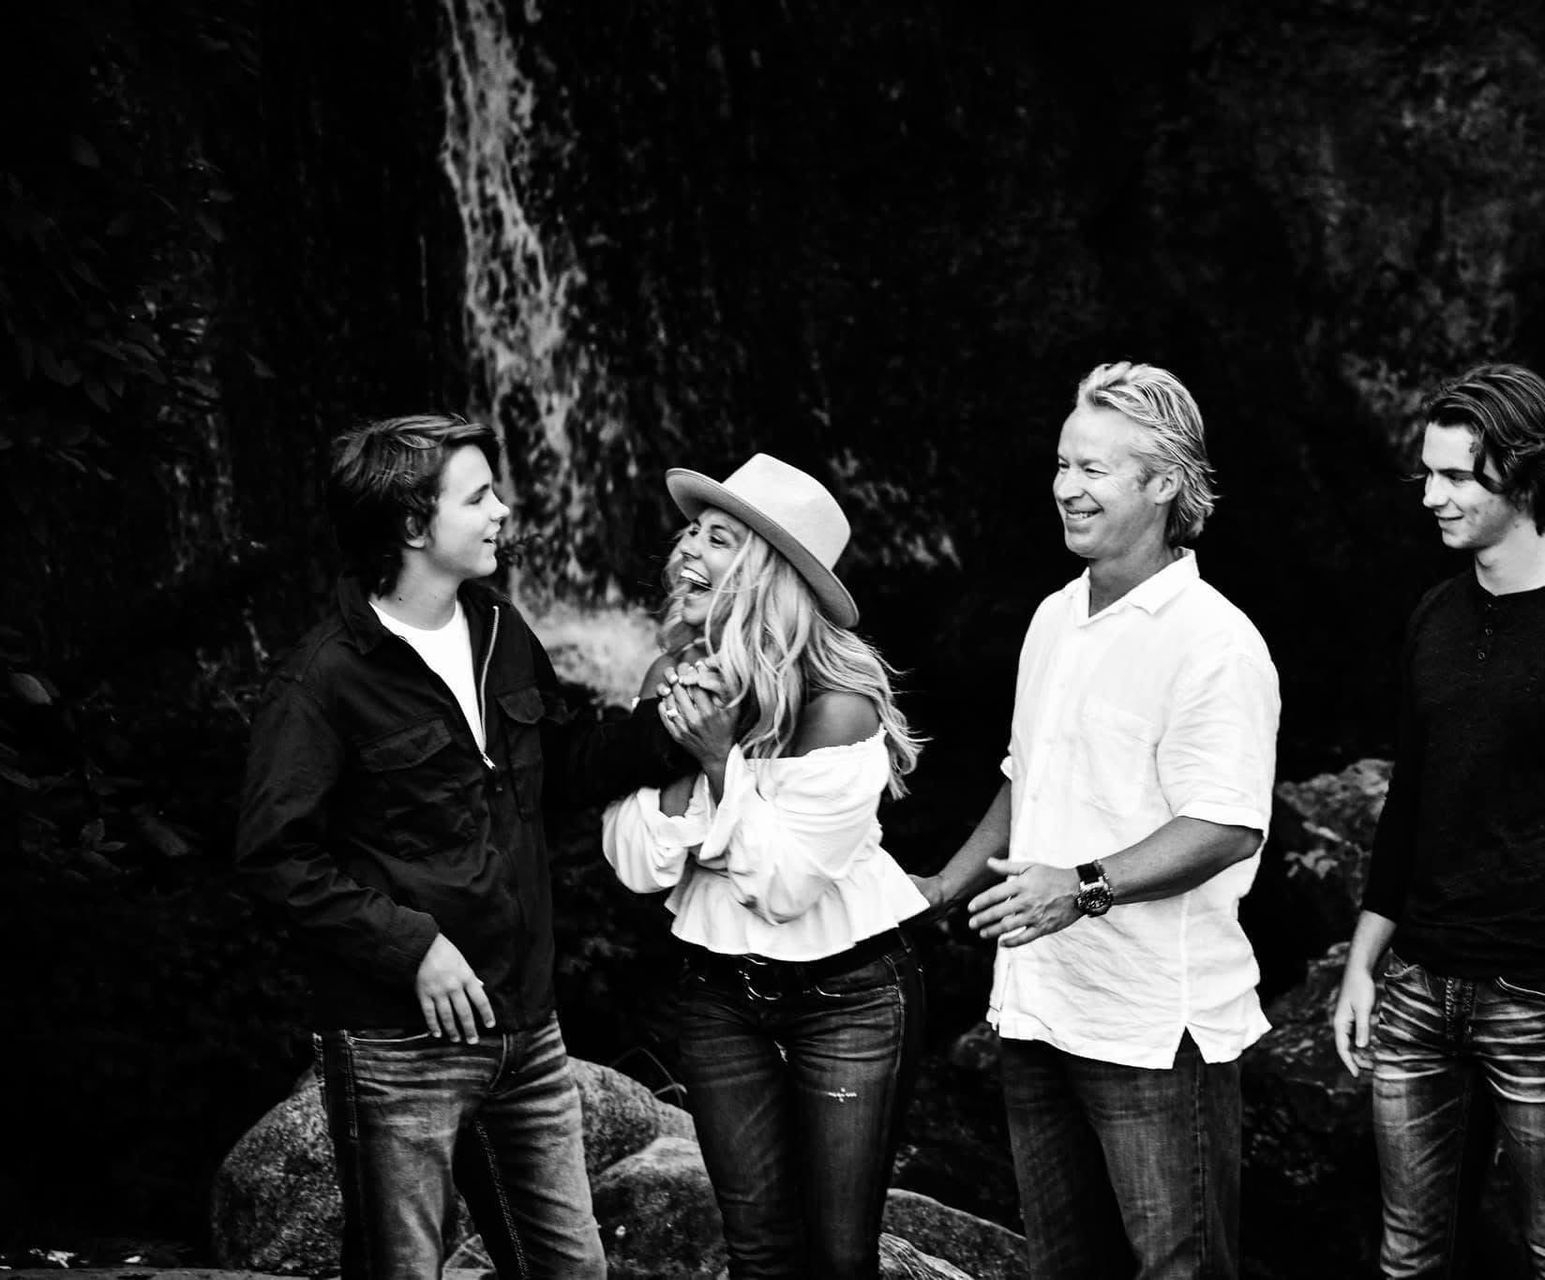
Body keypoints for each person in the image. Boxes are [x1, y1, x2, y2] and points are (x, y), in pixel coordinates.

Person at [236, 414, 693, 1280]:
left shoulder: (498, 630)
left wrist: (669, 734)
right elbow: (274, 856)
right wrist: (411, 948)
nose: (503, 511)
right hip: (398, 1046)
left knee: (571, 1270)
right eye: (478, 496)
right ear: (412, 525)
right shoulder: (323, 678)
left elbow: (557, 768)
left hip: (525, 1025)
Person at [915, 362, 1281, 1279]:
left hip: (1153, 1027)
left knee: (1178, 1270)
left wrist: (1080, 888)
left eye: (1094, 471)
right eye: (1063, 464)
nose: (1066, 489)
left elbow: (1228, 825)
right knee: (1063, 1266)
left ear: (1164, 485)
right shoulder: (1052, 617)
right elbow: (1025, 776)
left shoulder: (1215, 641)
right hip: (1040, 1008)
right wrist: (944, 885)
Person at [1330, 364, 1545, 1278]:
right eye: (1427, 476)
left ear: (1520, 475)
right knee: (1407, 1257)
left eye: (1455, 477)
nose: (1432, 498)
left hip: (1543, 996)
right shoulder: (1435, 616)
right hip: (1414, 989)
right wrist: (1363, 963)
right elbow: (1411, 798)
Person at [600, 453, 928, 1280]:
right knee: (757, 1252)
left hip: (848, 997)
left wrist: (718, 762)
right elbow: (636, 864)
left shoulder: (836, 706)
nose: (686, 551)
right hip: (717, 993)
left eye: (718, 538)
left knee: (840, 1256)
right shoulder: (668, 676)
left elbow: (784, 889)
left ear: (768, 573)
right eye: (690, 532)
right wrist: (681, 747)